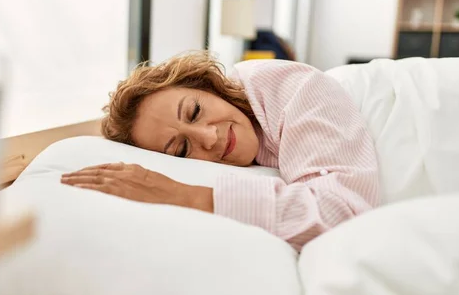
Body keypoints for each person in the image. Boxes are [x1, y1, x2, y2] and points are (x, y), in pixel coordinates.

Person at [60, 52, 380, 250]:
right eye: (183, 149)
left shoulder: (297, 90)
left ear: (207, 86)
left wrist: (185, 194)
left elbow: (343, 216)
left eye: (195, 111)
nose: (209, 137)